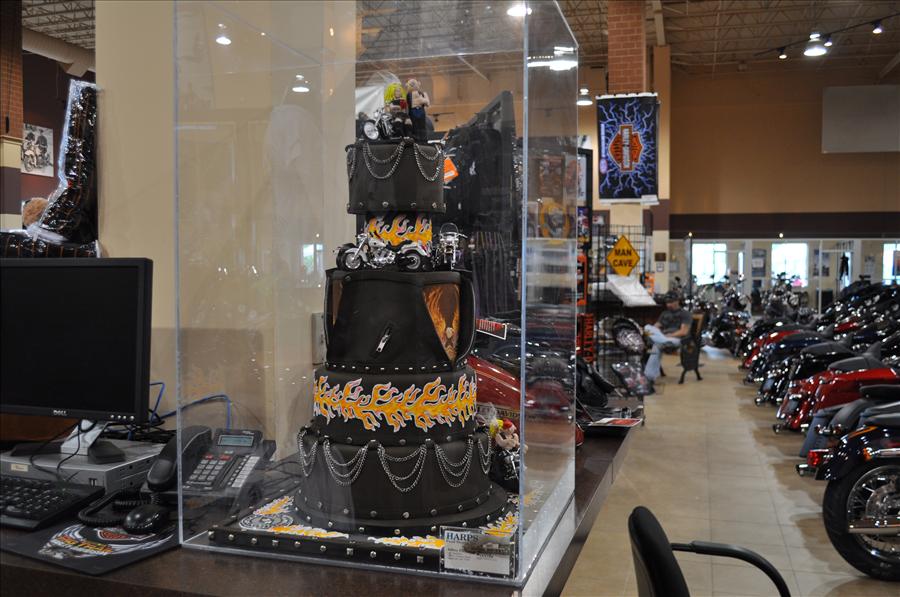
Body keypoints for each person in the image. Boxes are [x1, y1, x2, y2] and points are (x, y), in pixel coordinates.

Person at [644, 292, 692, 381]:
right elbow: (656, 327)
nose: (668, 305)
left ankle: (649, 376)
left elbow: (683, 332)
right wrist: (653, 332)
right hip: (663, 337)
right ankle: (662, 340)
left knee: (657, 345)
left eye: (671, 302)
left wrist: (669, 335)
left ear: (677, 301)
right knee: (647, 327)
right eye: (667, 302)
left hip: (676, 339)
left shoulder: (685, 314)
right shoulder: (664, 313)